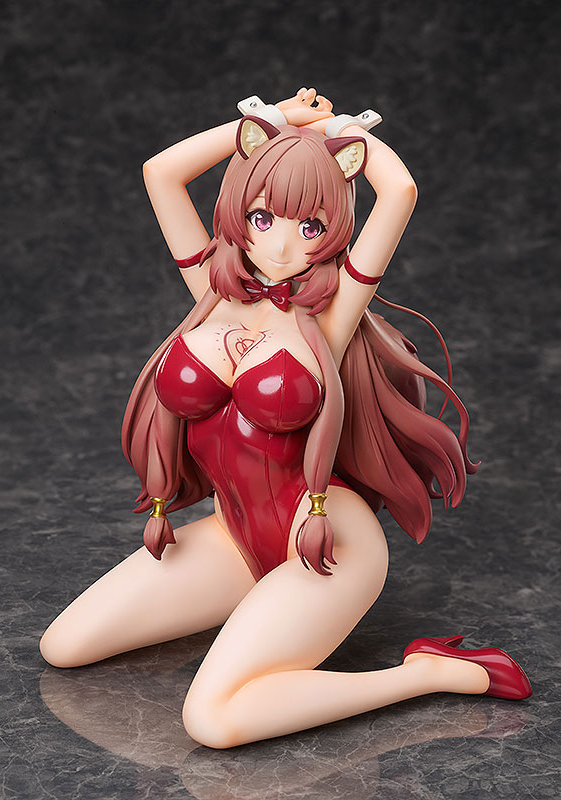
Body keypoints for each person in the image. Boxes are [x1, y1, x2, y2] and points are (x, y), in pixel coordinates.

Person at [40, 88, 531, 749]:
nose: (278, 245)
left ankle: (428, 675)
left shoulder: (331, 317)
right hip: (234, 536)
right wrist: (273, 122)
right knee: (63, 646)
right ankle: (264, 614)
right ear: (240, 209)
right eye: (263, 216)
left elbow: (400, 190)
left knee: (213, 720)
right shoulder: (212, 295)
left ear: (332, 232)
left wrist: (339, 135)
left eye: (309, 228)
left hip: (326, 548)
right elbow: (161, 172)